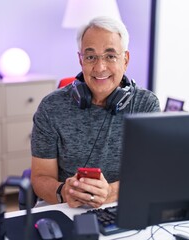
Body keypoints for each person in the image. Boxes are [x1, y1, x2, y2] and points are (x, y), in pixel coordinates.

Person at [30, 16, 160, 209]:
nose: (100, 68)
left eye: (110, 56)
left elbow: (152, 174)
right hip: (65, 207)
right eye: (91, 56)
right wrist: (64, 192)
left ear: (125, 60)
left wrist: (110, 193)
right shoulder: (51, 107)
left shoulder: (146, 105)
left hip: (123, 205)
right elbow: (40, 177)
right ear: (80, 60)